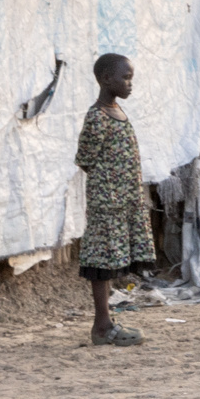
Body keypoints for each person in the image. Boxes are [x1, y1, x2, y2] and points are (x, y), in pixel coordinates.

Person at [73, 53, 155, 347]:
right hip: (107, 203)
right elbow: (84, 159)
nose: (130, 83)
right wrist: (111, 186)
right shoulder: (97, 117)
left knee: (110, 261)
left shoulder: (117, 111)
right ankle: (102, 326)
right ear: (107, 79)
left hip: (124, 202)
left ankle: (106, 322)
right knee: (101, 263)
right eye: (126, 77)